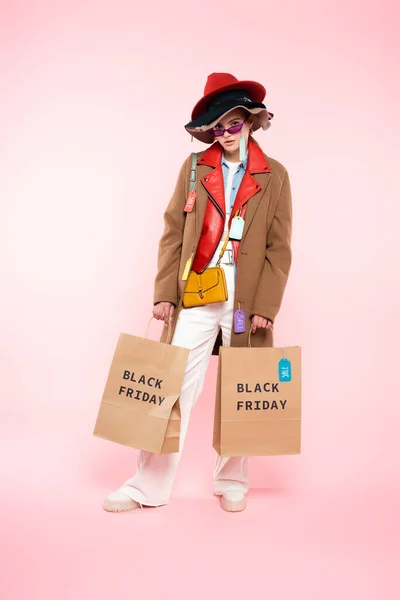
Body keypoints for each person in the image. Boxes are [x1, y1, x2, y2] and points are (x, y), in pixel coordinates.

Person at [103, 72, 293, 513]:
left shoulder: (275, 175)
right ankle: (147, 486)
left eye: (234, 124)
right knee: (171, 386)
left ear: (250, 121)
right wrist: (165, 292)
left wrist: (266, 304)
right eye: (218, 126)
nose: (226, 134)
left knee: (243, 385)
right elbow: (173, 232)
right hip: (198, 291)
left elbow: (278, 247)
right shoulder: (194, 169)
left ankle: (231, 480)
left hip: (245, 301)